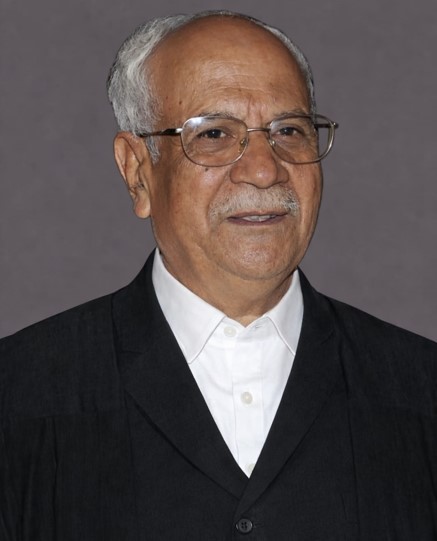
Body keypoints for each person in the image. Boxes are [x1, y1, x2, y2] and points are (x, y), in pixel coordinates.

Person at [0, 10, 436, 540]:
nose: (264, 169)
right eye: (213, 134)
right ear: (138, 172)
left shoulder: (420, 389)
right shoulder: (19, 396)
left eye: (289, 130)